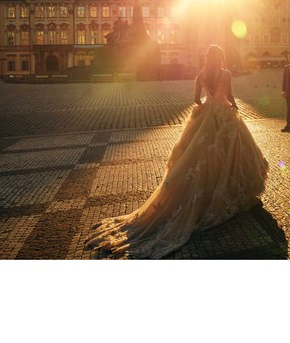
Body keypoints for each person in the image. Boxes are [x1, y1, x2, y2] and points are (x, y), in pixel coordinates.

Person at [87, 45, 269, 258]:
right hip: (224, 119)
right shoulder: (226, 74)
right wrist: (233, 108)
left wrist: (205, 105)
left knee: (201, 159)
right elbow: (229, 96)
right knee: (229, 157)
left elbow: (195, 100)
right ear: (220, 58)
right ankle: (227, 192)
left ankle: (208, 194)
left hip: (206, 117)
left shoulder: (201, 75)